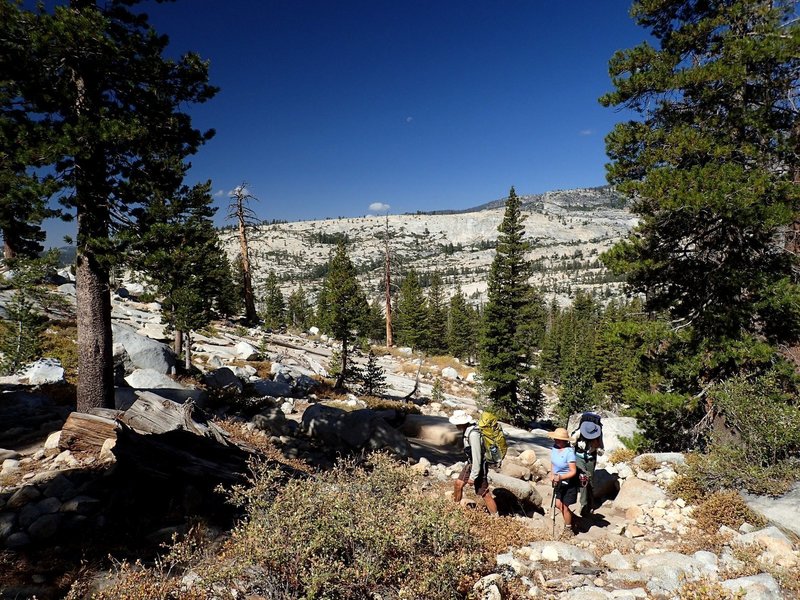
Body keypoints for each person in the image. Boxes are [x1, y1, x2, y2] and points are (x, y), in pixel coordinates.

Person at [449, 410, 499, 517]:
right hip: (470, 465)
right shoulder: (467, 430)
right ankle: (455, 510)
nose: (456, 426)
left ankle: (496, 518)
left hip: (478, 467)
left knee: (484, 493)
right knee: (458, 484)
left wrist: (473, 476)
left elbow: (477, 457)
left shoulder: (473, 434)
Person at [549, 427, 580, 534]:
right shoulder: (554, 448)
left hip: (569, 483)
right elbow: (553, 463)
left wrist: (561, 477)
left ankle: (568, 529)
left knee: (564, 506)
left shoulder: (569, 452)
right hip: (558, 482)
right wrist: (552, 474)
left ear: (565, 440)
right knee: (558, 504)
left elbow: (573, 471)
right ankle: (572, 518)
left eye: (559, 439)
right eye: (555, 439)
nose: (556, 441)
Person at [575, 419, 604, 517]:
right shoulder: (578, 433)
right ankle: (584, 505)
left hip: (591, 459)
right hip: (579, 457)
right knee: (583, 479)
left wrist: (597, 447)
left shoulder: (598, 435)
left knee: (590, 482)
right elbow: (571, 444)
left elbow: (601, 451)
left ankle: (591, 503)